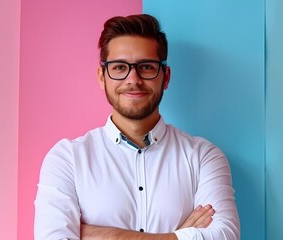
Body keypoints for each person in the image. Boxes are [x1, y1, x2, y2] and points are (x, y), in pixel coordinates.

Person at [34, 14, 240, 240]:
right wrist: (178, 236)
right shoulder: (67, 159)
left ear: (166, 77)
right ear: (102, 77)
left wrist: (105, 236)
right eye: (120, 67)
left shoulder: (203, 157)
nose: (133, 79)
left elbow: (224, 236)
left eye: (147, 67)